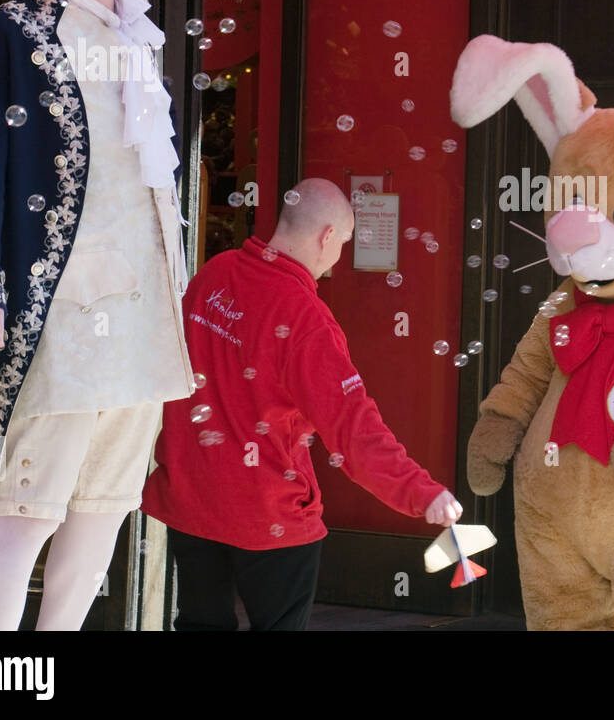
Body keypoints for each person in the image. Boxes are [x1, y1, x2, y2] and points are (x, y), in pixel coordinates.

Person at [0, 0, 194, 630]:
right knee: (27, 508)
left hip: (146, 316)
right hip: (61, 312)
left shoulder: (142, 43)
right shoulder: (5, 37)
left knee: (104, 509)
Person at [141, 179, 463, 630]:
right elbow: (354, 431)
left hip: (192, 502)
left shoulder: (214, 273)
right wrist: (421, 492)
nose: (338, 257)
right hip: (270, 512)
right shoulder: (306, 319)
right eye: (343, 243)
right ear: (328, 236)